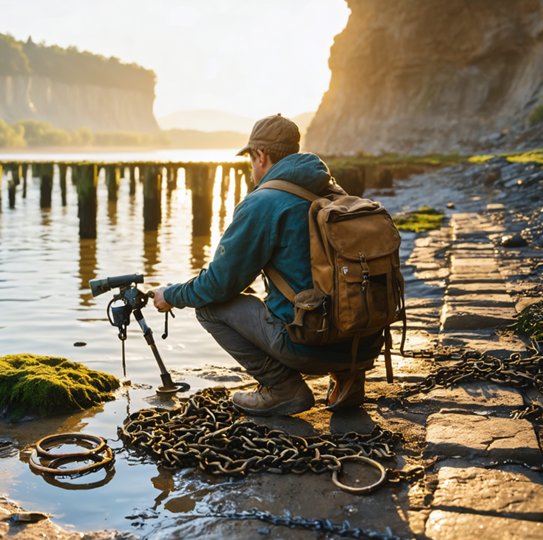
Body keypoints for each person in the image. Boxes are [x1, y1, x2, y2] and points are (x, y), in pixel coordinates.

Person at [152, 114, 381, 416]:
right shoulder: (335, 192)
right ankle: (349, 377)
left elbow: (216, 286)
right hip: (365, 343)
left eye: (250, 159)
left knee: (209, 308)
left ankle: (283, 388)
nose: (251, 167)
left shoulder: (263, 203)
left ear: (261, 155)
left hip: (311, 344)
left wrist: (171, 295)